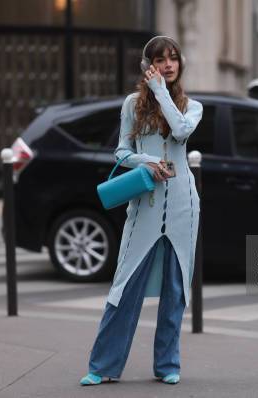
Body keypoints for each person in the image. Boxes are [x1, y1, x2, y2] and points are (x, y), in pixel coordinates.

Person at [79, 35, 203, 386]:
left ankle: (167, 365)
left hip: (183, 205)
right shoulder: (132, 104)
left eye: (173, 58)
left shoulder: (192, 107)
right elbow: (121, 152)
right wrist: (147, 162)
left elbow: (179, 133)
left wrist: (162, 91)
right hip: (145, 205)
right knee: (125, 284)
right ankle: (103, 366)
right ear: (147, 65)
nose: (168, 65)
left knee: (176, 288)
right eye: (160, 59)